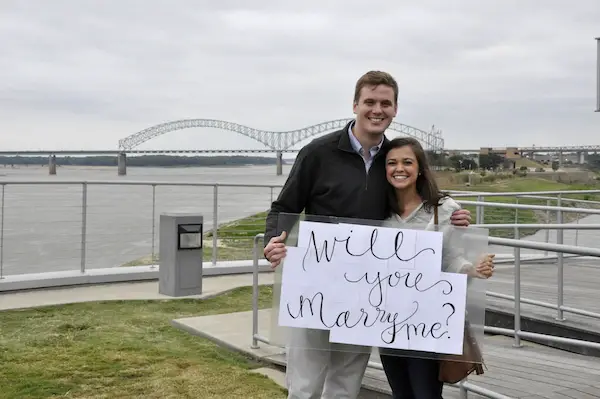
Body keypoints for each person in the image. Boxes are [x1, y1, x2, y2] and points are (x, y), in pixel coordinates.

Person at [263, 70, 473, 399]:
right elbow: (283, 206)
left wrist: (451, 212)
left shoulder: (393, 158)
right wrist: (273, 241)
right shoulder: (318, 153)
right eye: (370, 102)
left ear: (395, 109)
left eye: (385, 103)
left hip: (367, 290)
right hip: (316, 283)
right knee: (305, 382)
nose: (377, 110)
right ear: (355, 104)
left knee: (346, 382)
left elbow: (417, 196)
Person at [379, 136, 495, 399]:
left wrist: (474, 270)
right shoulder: (378, 211)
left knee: (427, 394)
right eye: (392, 163)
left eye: (407, 162)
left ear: (420, 168)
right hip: (386, 321)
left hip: (428, 319)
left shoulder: (444, 209)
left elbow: (453, 259)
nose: (399, 168)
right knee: (401, 394)